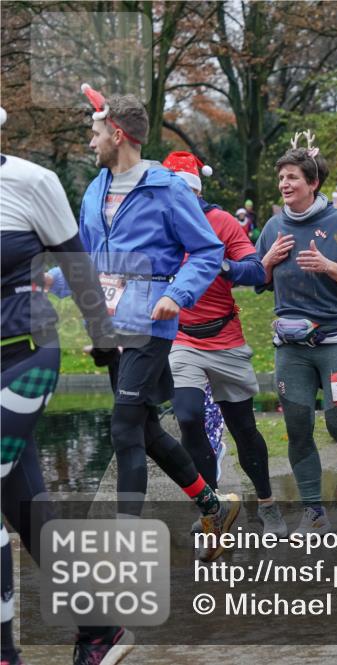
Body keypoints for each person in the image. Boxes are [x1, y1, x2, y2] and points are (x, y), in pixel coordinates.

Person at [57, 85, 238, 561]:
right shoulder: (95, 189)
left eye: (96, 133)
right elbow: (88, 260)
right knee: (147, 432)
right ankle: (214, 507)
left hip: (150, 325)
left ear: (117, 134)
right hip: (112, 326)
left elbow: (208, 251)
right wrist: (45, 282)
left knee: (123, 428)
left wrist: (177, 295)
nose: (90, 141)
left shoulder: (168, 188)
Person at [0, 105, 134, 665]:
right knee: (28, 510)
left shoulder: (31, 181)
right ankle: (100, 630)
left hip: (25, 354)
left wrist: (105, 342)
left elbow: (78, 269)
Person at [256, 131, 337, 532]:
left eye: (292, 177)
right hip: (291, 343)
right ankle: (314, 511)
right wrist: (266, 262)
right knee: (297, 427)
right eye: (281, 178)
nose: (284, 184)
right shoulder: (273, 226)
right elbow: (258, 281)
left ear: (312, 182)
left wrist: (329, 267)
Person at [161, 151, 287, 537]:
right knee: (187, 417)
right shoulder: (158, 225)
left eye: (183, 192)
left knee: (242, 426)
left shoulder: (222, 222)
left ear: (196, 192)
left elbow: (255, 270)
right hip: (181, 337)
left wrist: (221, 263)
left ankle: (267, 504)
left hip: (224, 336)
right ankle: (213, 509)